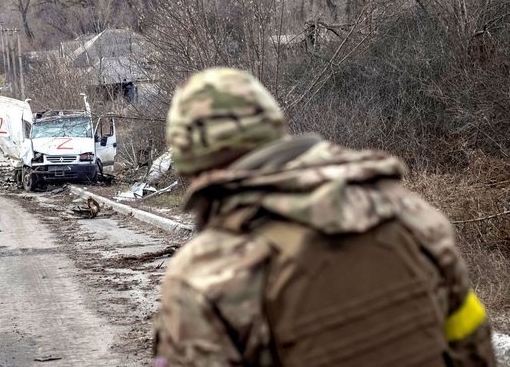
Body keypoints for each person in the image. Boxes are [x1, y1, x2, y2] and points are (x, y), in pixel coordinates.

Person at [153, 68, 496, 366]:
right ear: (275, 129)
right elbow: (474, 346)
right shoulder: (411, 214)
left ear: (192, 165)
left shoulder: (205, 273)